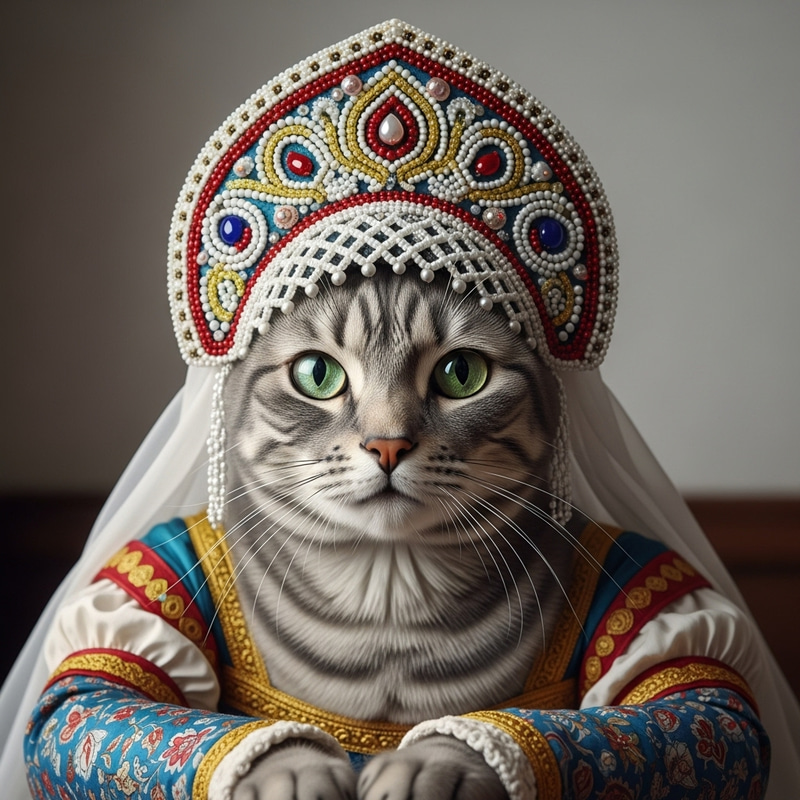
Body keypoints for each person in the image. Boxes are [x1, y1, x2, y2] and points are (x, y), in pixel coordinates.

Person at [2, 18, 798, 800]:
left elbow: (722, 735)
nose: (388, 436)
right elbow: (68, 730)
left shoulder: (606, 582)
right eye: (318, 373)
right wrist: (241, 761)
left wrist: (505, 754)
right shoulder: (184, 576)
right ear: (230, 397)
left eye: (458, 372)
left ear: (552, 403)